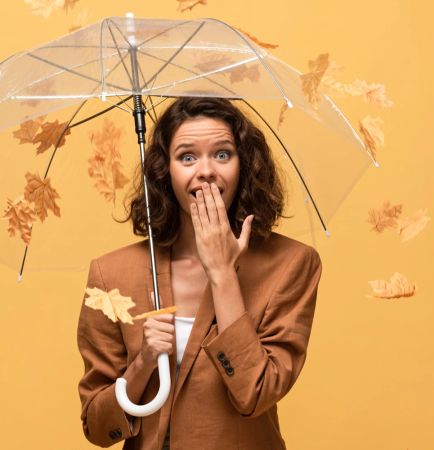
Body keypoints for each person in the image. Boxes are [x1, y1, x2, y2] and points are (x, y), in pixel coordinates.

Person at [76, 97, 323, 450]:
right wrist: (143, 361)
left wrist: (223, 274)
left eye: (222, 154)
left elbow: (256, 393)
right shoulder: (111, 274)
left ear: (246, 166)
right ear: (165, 171)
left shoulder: (291, 264)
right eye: (187, 156)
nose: (206, 170)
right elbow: (98, 427)